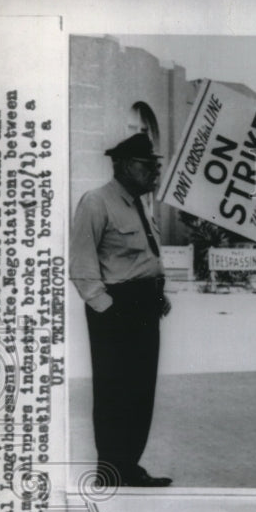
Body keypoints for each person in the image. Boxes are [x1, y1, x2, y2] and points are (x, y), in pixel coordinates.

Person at [70, 132, 173, 488]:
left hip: (146, 306)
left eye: (156, 165)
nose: (155, 172)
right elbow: (82, 266)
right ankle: (110, 471)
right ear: (126, 165)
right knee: (114, 392)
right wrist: (107, 310)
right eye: (149, 165)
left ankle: (128, 465)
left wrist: (160, 293)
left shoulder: (139, 205)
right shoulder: (96, 202)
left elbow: (144, 257)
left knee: (141, 391)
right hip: (117, 309)